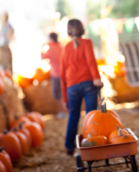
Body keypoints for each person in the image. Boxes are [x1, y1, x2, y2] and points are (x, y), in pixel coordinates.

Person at [60, 19, 103, 156]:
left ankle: (69, 147)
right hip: (88, 83)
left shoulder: (65, 49)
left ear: (69, 31)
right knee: (91, 116)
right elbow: (91, 60)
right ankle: (91, 146)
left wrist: (65, 99)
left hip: (71, 87)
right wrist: (96, 78)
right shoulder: (87, 43)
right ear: (81, 29)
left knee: (73, 115)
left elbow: (62, 75)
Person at [41, 32, 67, 118]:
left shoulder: (51, 49)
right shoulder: (61, 47)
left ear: (51, 39)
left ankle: (62, 112)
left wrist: (42, 47)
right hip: (65, 73)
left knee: (57, 94)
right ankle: (69, 111)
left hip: (56, 74)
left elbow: (42, 57)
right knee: (66, 92)